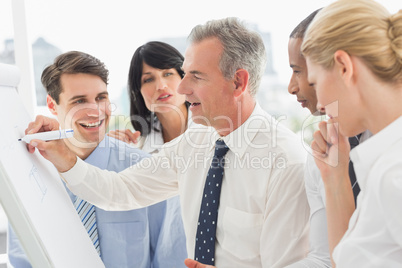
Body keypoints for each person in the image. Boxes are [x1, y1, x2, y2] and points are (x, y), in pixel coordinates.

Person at [26, 18, 310, 267]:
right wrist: (62, 152)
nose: (182, 89)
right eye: (184, 74)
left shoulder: (285, 161)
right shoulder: (198, 140)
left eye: (195, 77)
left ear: (238, 83)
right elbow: (120, 191)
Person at [8, 51, 187, 268]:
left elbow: (169, 258)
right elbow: (22, 258)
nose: (95, 111)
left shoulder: (144, 167)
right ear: (52, 105)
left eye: (101, 98)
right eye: (79, 101)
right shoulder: (33, 173)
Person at [301, 0, 402, 266]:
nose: (320, 103)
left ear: (344, 66)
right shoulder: (383, 164)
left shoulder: (394, 173)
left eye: (315, 82)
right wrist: (334, 177)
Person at [108, 41, 189, 265]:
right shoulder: (137, 149)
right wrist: (111, 153)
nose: (161, 85)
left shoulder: (215, 133)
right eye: (148, 79)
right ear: (138, 91)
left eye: (168, 74)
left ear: (185, 77)